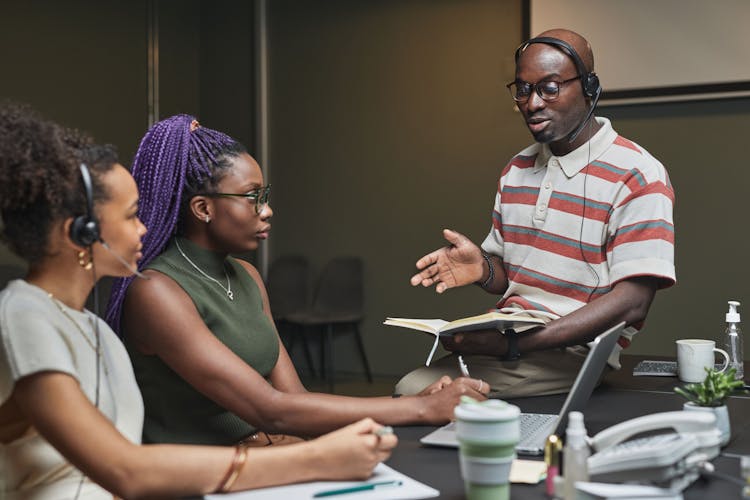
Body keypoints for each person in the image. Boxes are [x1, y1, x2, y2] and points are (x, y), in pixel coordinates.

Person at [0, 103, 396, 499]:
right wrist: (315, 459)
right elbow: (126, 470)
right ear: (82, 233)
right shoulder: (24, 315)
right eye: (132, 215)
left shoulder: (91, 328)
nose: (145, 227)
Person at [105, 114, 487, 446]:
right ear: (203, 208)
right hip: (209, 474)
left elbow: (294, 399)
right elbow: (269, 409)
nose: (267, 210)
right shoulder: (156, 291)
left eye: (265, 194)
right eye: (252, 196)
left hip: (271, 447)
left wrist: (417, 403)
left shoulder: (247, 275)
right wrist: (418, 407)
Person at [396, 29, 675, 397]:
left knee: (417, 391)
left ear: (589, 87)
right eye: (523, 89)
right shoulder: (517, 169)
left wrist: (515, 346)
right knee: (418, 392)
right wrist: (482, 268)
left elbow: (634, 302)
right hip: (514, 336)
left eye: (550, 87)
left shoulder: (638, 173)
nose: (532, 103)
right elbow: (508, 275)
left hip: (576, 350)